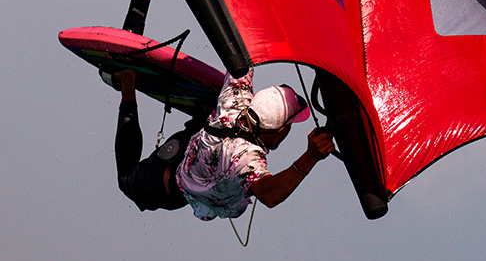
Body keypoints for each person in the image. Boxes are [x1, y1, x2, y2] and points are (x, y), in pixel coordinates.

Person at [110, 67, 334, 218]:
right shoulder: (246, 160)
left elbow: (240, 56)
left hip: (204, 140)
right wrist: (310, 157)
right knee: (126, 180)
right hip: (161, 183)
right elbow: (270, 194)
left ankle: (207, 111)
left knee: (214, 124)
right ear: (281, 130)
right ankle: (127, 85)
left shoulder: (235, 99)